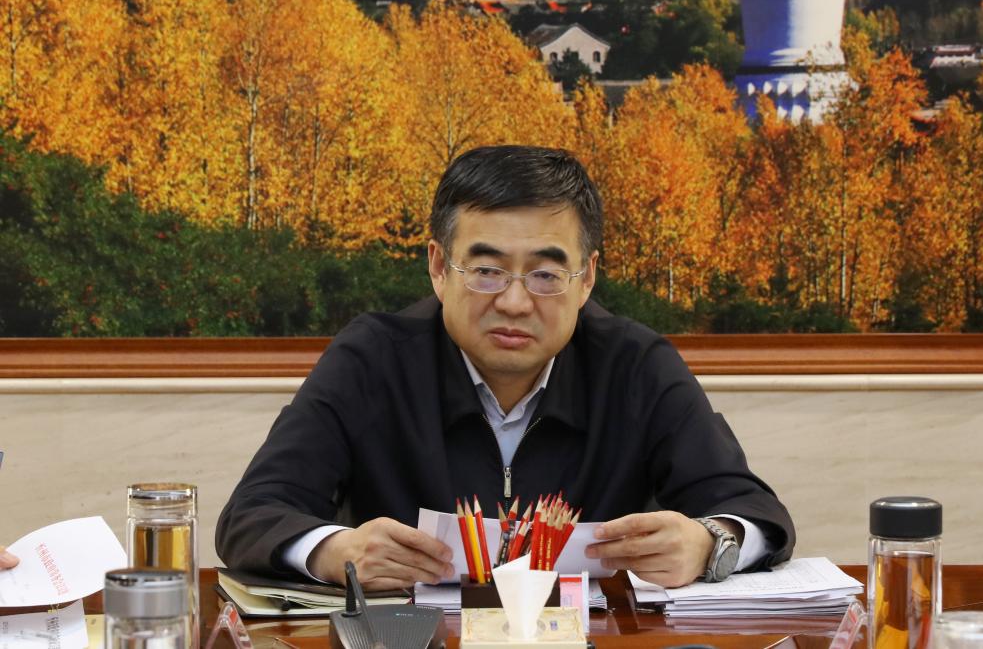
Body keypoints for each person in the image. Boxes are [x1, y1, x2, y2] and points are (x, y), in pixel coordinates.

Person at [216, 145, 794, 590]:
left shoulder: (635, 365)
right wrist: (335, 552)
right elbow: (253, 513)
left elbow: (754, 511)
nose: (515, 303)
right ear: (439, 268)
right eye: (487, 271)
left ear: (586, 279)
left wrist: (707, 542)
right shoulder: (372, 359)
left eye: (545, 275)